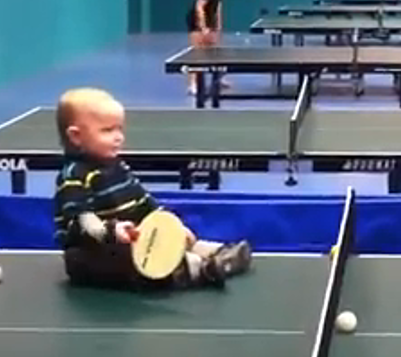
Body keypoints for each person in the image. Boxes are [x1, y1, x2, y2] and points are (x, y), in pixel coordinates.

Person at [53, 87, 253, 290]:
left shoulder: (117, 167)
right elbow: (82, 220)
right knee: (131, 264)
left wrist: (174, 228)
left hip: (130, 241)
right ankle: (200, 269)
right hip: (92, 252)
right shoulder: (74, 176)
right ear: (76, 136)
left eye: (120, 129)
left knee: (158, 243)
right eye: (107, 130)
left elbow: (143, 201)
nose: (118, 137)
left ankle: (216, 254)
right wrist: (111, 231)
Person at [184, 0, 231, 96]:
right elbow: (199, 6)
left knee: (215, 51)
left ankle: (217, 79)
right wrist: (202, 27)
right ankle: (192, 85)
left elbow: (218, 4)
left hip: (209, 20)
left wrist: (218, 24)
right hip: (196, 22)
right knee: (198, 54)